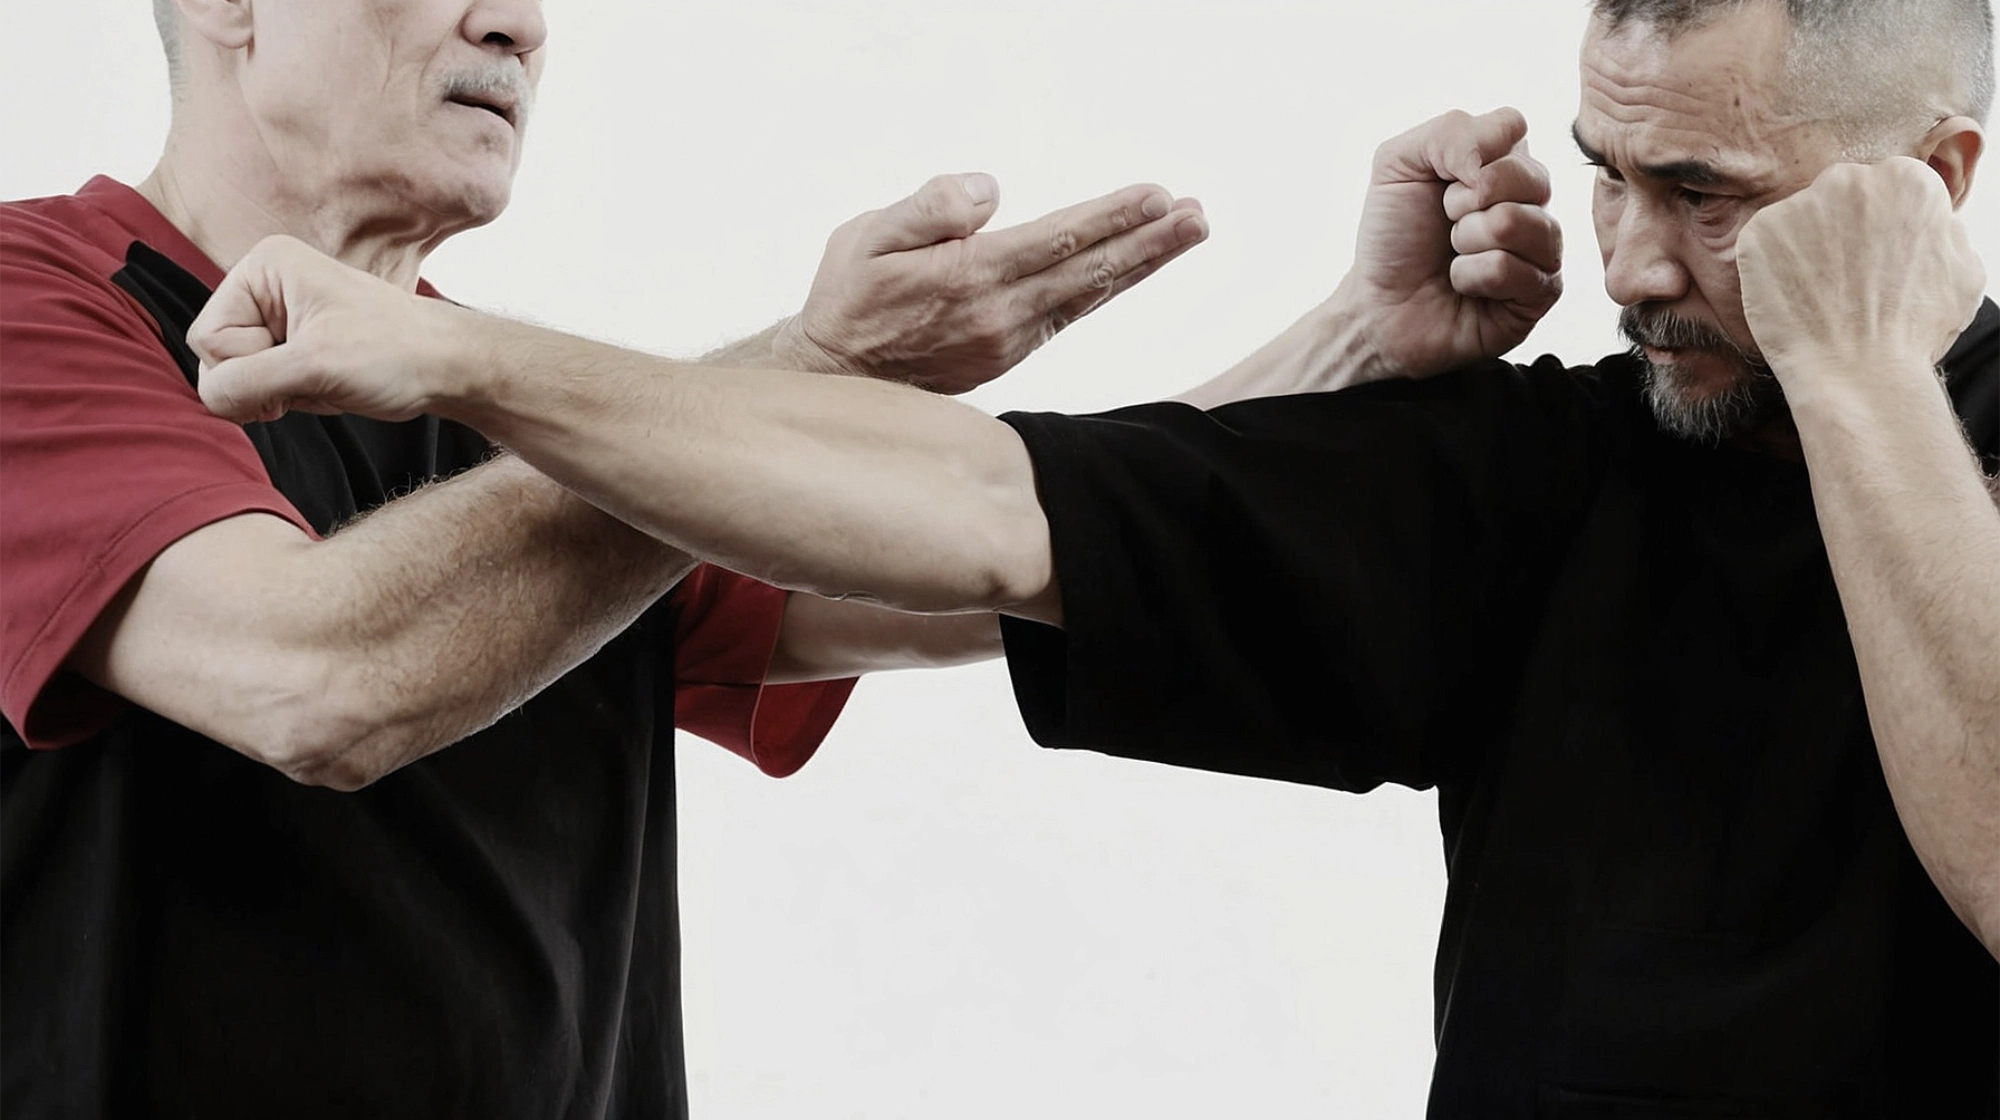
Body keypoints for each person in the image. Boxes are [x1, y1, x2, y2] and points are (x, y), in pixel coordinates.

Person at [196, 0, 2000, 1113]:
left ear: (1935, 177)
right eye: (1610, 171)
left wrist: (1862, 377)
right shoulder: (1550, 469)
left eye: (1708, 198)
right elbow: (987, 511)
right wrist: (471, 361)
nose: (1633, 263)